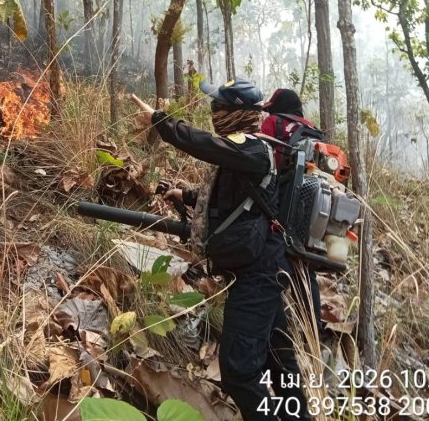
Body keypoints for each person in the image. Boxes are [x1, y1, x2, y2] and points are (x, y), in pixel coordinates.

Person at [131, 79, 309, 421]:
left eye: (218, 107)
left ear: (236, 113)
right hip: (262, 270)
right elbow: (236, 198)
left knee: (239, 371)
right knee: (279, 361)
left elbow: (207, 145)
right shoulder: (245, 154)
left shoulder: (253, 149)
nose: (213, 113)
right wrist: (186, 196)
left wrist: (162, 121)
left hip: (260, 275)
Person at [261, 88, 324, 340]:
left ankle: (274, 332)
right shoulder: (314, 130)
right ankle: (313, 333)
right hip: (312, 207)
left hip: (279, 202)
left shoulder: (272, 123)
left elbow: (262, 160)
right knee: (305, 269)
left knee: (273, 262)